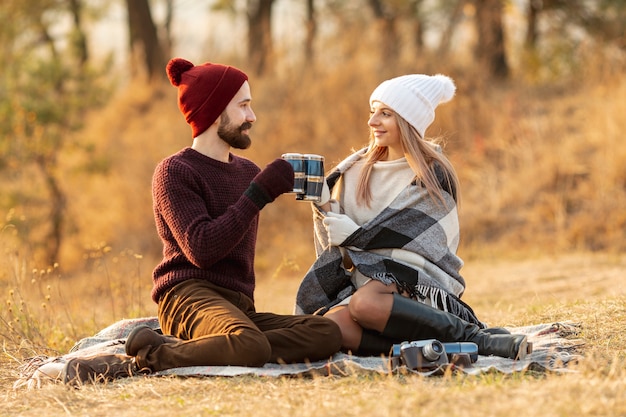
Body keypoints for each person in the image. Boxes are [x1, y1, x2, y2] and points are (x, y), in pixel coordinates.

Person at [61, 58, 342, 385]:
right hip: (186, 294)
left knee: (326, 333)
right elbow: (202, 249)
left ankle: (211, 346)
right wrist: (261, 192)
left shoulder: (247, 172)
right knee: (250, 345)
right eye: (244, 107)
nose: (252, 116)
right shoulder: (175, 172)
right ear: (214, 111)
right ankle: (146, 360)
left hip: (238, 305)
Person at [295, 74, 531, 360]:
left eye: (385, 114)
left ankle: (475, 337)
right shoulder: (353, 172)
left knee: (365, 305)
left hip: (418, 283)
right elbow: (345, 250)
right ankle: (430, 350)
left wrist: (355, 235)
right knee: (330, 327)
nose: (372, 122)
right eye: (373, 112)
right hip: (365, 284)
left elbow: (418, 246)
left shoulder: (432, 174)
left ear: (407, 121)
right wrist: (324, 206)